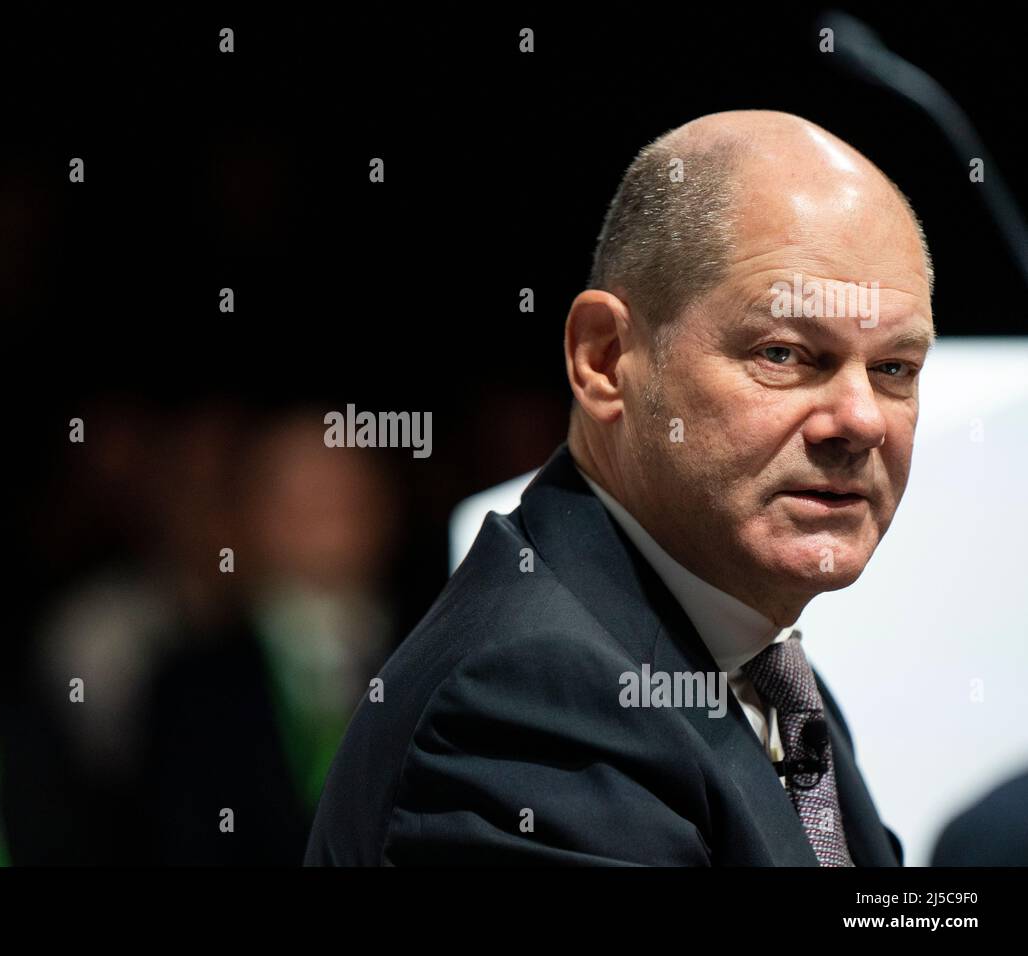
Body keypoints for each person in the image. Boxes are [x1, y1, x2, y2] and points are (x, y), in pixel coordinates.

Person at [306, 110, 934, 866]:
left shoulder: (766, 671)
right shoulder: (529, 707)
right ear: (605, 359)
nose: (861, 420)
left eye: (895, 368)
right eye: (786, 353)